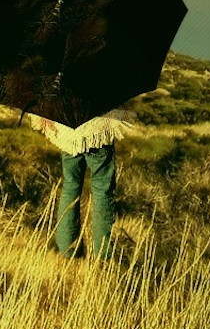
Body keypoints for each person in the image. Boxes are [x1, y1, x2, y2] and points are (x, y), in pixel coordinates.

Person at [24, 105, 137, 259]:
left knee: (70, 187)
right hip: (98, 131)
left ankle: (66, 251)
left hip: (67, 132)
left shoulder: (58, 80)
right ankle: (103, 256)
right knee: (103, 192)